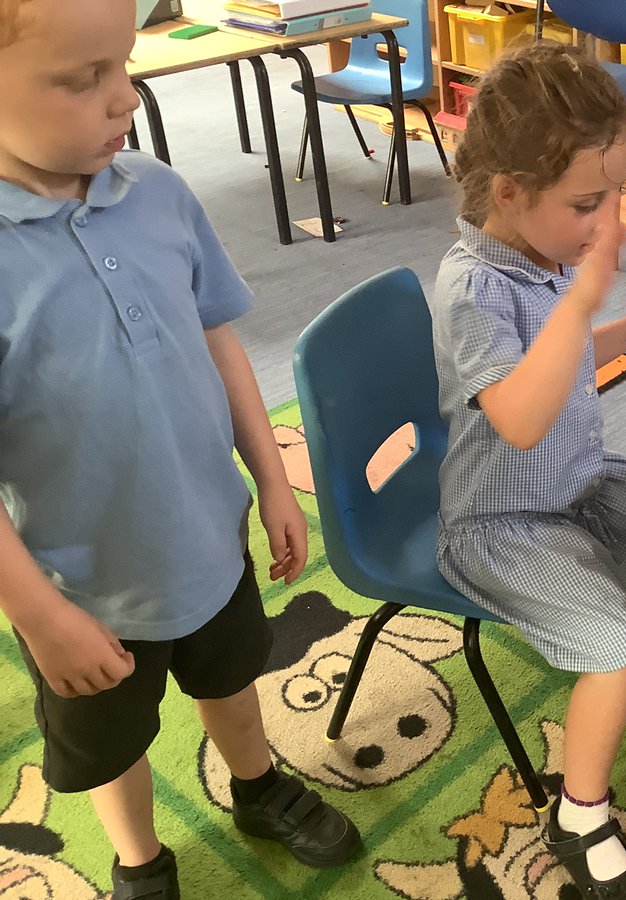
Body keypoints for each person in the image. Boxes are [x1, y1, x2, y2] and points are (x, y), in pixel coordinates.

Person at [0, 1, 360, 897]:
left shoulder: (156, 190)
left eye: (122, 63)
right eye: (84, 78)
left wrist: (273, 480)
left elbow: (218, 340)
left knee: (231, 678)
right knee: (112, 742)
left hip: (209, 535)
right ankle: (140, 861)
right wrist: (44, 619)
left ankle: (258, 785)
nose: (126, 96)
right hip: (86, 589)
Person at [429, 42, 626, 900]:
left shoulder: (541, 259)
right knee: (620, 642)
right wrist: (587, 296)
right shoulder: (474, 289)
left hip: (574, 486)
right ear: (509, 194)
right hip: (498, 526)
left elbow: (568, 357)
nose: (610, 221)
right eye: (590, 202)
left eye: (616, 195)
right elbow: (520, 412)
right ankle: (578, 812)